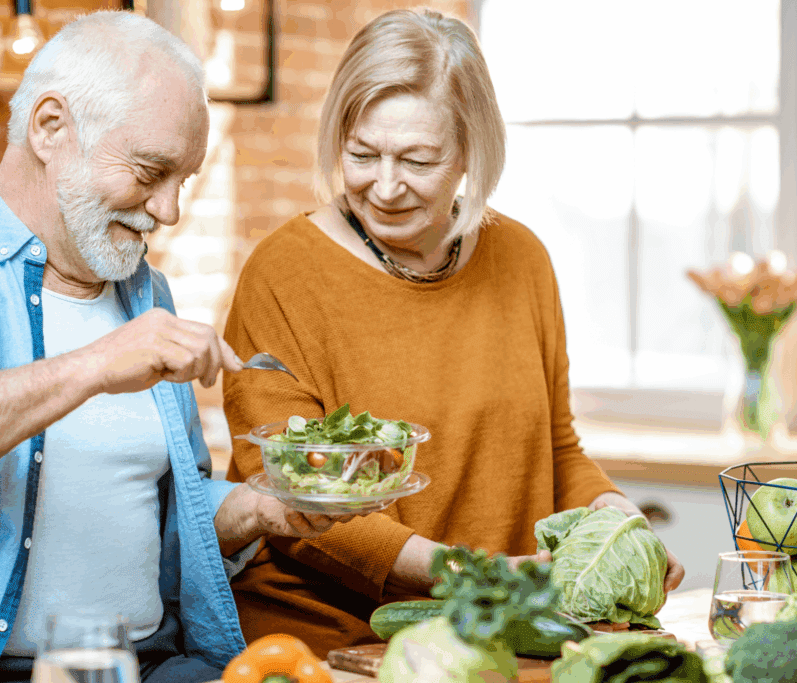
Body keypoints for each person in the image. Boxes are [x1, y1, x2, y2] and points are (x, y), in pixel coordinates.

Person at [0, 11, 350, 683]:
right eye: (150, 170)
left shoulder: (145, 293)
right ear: (50, 127)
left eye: (183, 181)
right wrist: (97, 365)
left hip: (151, 663)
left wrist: (260, 509)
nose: (169, 211)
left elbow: (159, 513)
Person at [220, 7, 686, 657]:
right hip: (335, 642)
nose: (383, 186)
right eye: (361, 154)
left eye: (417, 159)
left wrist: (617, 520)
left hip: (498, 632)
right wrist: (469, 572)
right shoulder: (283, 273)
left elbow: (557, 447)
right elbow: (288, 497)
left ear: (471, 150)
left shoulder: (522, 258)